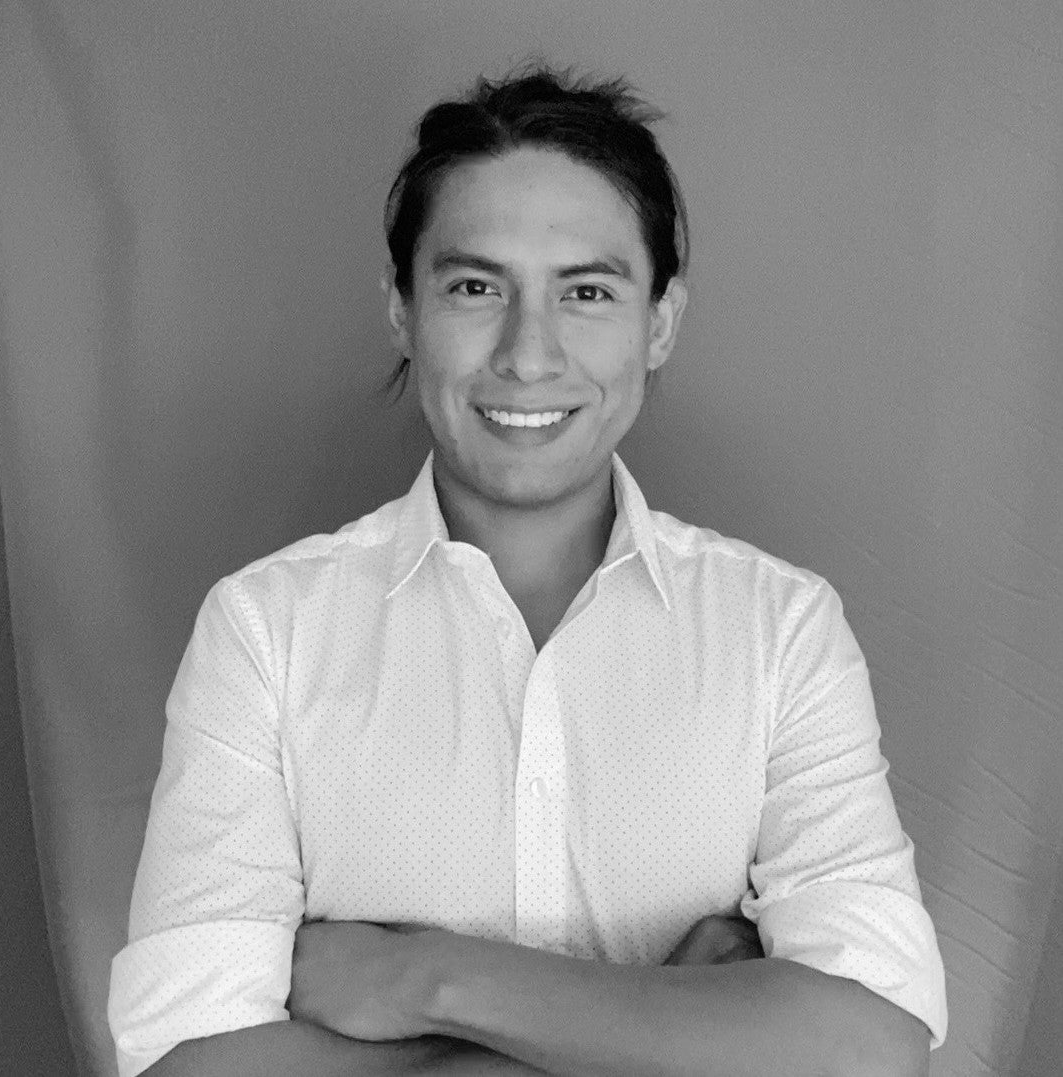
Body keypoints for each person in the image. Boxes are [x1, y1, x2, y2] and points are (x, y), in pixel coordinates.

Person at [108, 66, 947, 1076]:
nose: (528, 354)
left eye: (586, 292)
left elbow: (870, 1045)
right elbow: (189, 1063)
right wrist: (679, 1021)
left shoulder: (781, 629)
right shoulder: (264, 630)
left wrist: (429, 981)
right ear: (401, 311)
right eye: (475, 287)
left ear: (660, 322)